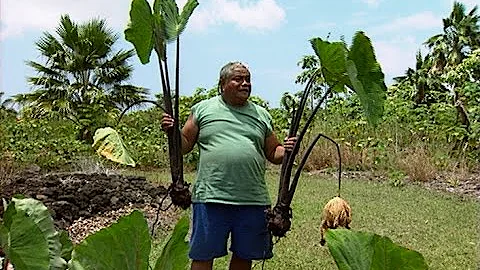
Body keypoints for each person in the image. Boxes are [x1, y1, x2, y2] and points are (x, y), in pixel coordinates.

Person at [161, 61, 296, 270]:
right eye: (238, 79)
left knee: (244, 256)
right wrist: (172, 131)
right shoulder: (203, 109)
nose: (245, 84)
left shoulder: (261, 114)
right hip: (211, 197)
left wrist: (286, 149)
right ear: (222, 84)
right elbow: (185, 145)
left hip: (252, 199)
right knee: (203, 255)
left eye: (248, 80)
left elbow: (273, 152)